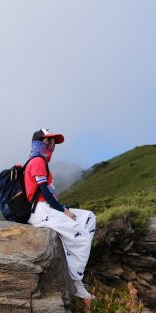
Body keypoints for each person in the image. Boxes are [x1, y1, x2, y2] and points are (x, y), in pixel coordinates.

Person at [24, 128, 96, 300]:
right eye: (47, 141)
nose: (51, 145)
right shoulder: (37, 161)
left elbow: (49, 195)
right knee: (83, 237)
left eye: (53, 142)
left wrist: (63, 209)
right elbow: (45, 192)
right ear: (37, 143)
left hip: (48, 208)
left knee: (88, 218)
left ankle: (72, 264)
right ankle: (75, 282)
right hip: (40, 211)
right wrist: (63, 210)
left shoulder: (41, 162)